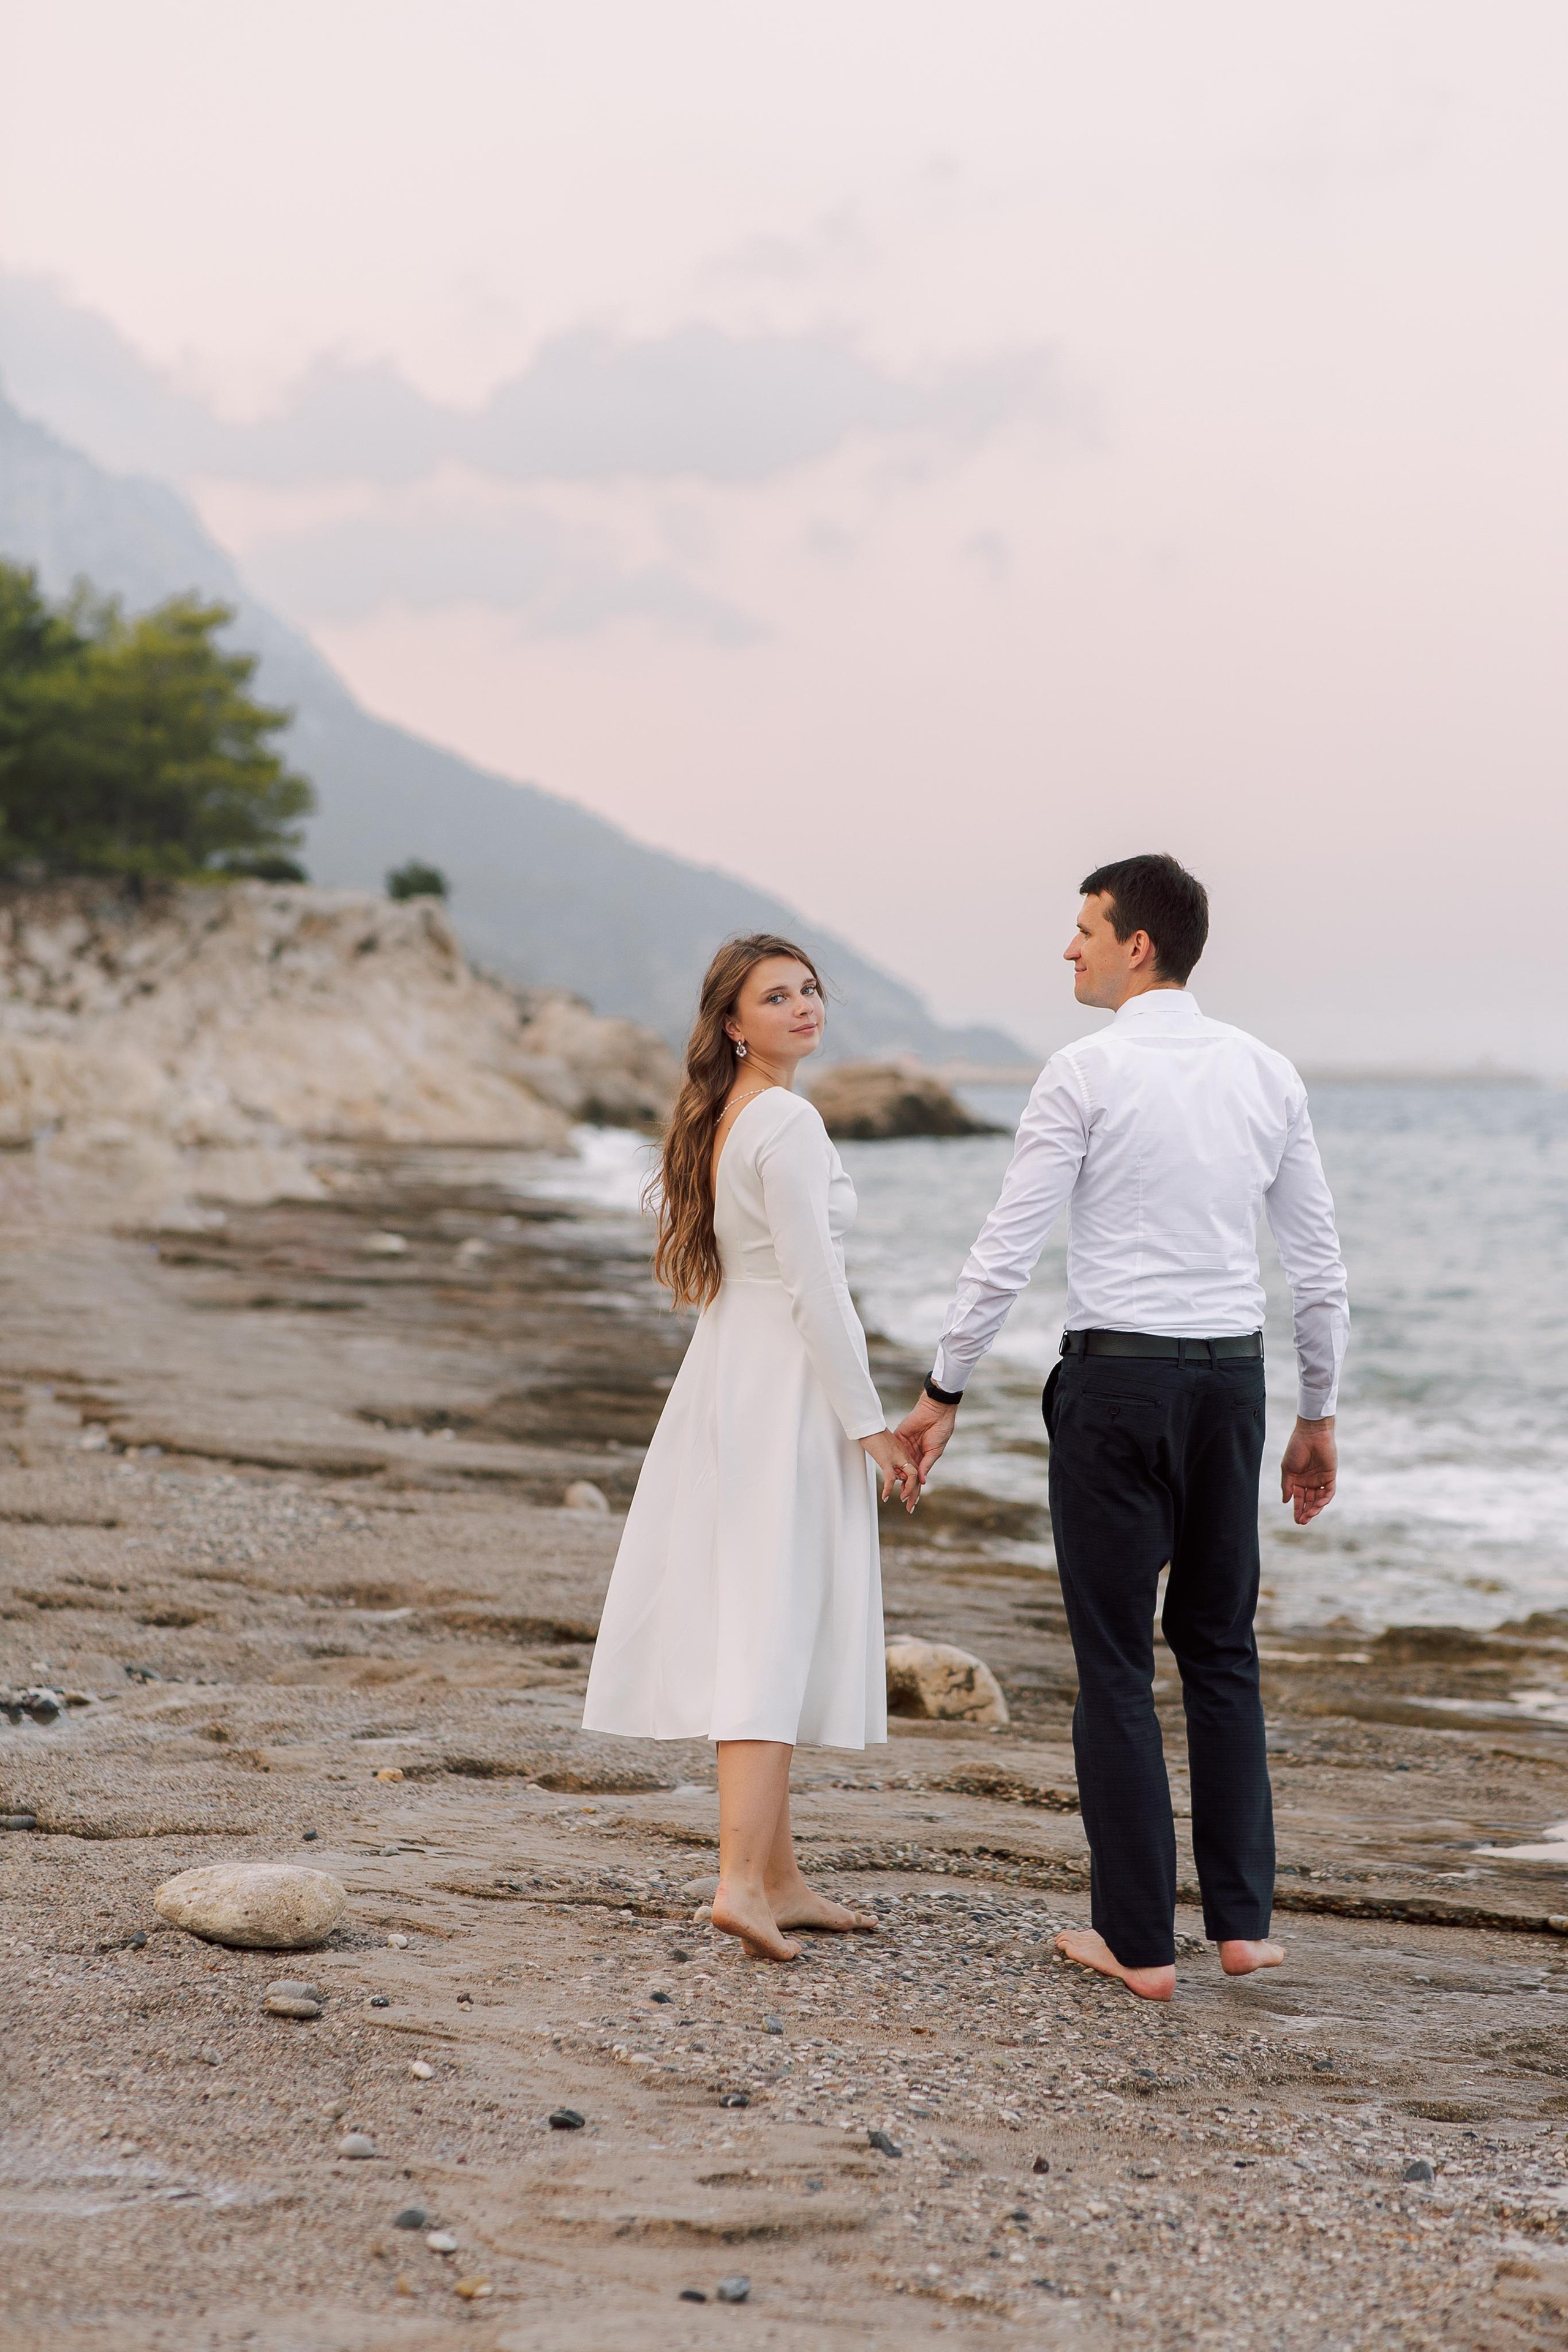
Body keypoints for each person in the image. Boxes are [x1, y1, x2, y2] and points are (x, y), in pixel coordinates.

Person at [897, 855, 1349, 2001]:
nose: (1071, 949)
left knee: (1114, 1665)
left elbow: (1008, 1245)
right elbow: (1316, 1266)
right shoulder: (1267, 1072)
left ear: (1136, 944)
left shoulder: (1083, 1072)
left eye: (1085, 929)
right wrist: (1318, 1413)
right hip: (1230, 1388)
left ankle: (1140, 1942)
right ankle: (1241, 1924)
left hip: (1118, 1390)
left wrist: (944, 1389)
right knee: (1221, 1650)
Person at [582, 933, 921, 1962]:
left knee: (761, 1610)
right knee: (770, 1624)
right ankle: (738, 1880)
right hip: (783, 1386)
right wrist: (869, 1420)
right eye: (777, 997)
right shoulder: (787, 1119)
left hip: (735, 1373)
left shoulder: (731, 1114)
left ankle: (777, 1874)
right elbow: (818, 1291)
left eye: (811, 989)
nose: (805, 1007)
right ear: (733, 1024)